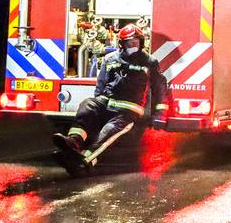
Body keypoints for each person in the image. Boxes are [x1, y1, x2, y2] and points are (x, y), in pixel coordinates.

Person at [52, 24, 167, 176]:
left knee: (108, 133)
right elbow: (100, 86)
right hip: (106, 101)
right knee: (87, 105)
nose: (133, 45)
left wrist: (160, 114)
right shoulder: (110, 59)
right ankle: (74, 141)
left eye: (135, 42)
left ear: (141, 42)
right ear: (122, 44)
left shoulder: (149, 62)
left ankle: (85, 161)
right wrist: (97, 111)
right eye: (129, 42)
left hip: (129, 109)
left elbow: (160, 87)